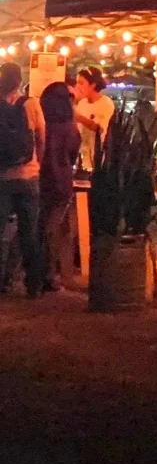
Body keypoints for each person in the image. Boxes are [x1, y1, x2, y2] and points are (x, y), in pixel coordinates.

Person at [0, 63, 45, 297]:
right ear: (19, 81)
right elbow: (41, 137)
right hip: (29, 176)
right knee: (29, 232)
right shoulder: (31, 103)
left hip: (3, 178)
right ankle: (33, 284)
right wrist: (38, 165)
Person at [39, 82, 81, 292]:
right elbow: (72, 155)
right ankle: (49, 275)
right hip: (61, 181)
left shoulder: (42, 123)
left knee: (41, 226)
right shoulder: (70, 127)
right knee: (54, 229)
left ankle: (41, 272)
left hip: (40, 178)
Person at [74, 67, 115, 171]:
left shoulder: (106, 103)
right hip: (83, 158)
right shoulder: (82, 103)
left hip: (99, 159)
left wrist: (79, 118)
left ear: (92, 85)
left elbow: (100, 129)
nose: (78, 87)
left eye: (81, 83)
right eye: (77, 83)